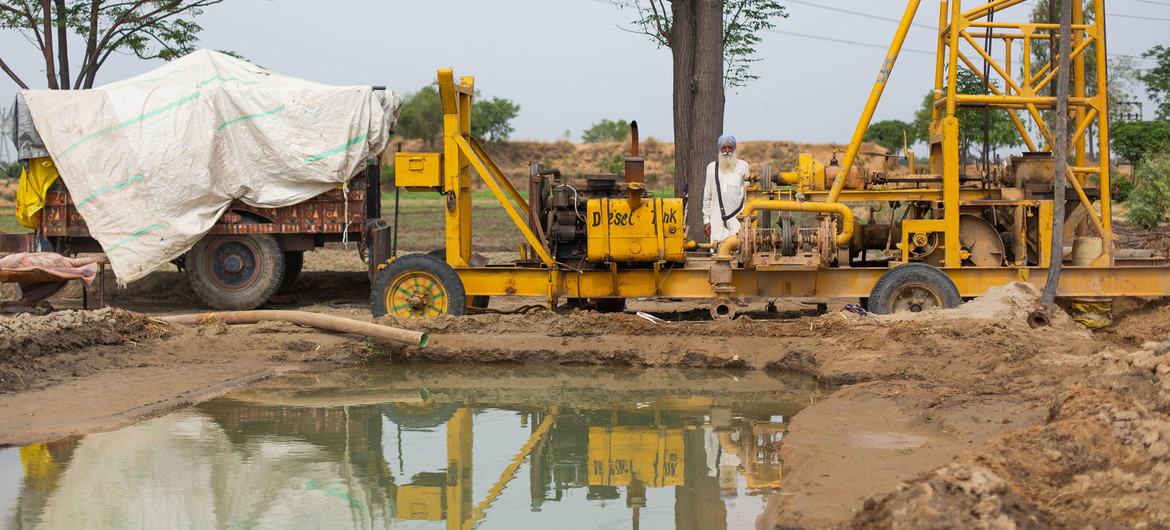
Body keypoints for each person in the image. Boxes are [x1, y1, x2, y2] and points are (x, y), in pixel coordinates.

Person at [702, 134, 750, 245]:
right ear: (720, 149)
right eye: (724, 148)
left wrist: (746, 220)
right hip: (716, 220)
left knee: (738, 250)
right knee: (716, 251)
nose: (727, 151)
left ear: (734, 149)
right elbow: (707, 197)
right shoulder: (711, 168)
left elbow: (748, 196)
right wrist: (706, 221)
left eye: (730, 147)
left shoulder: (743, 166)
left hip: (738, 219)